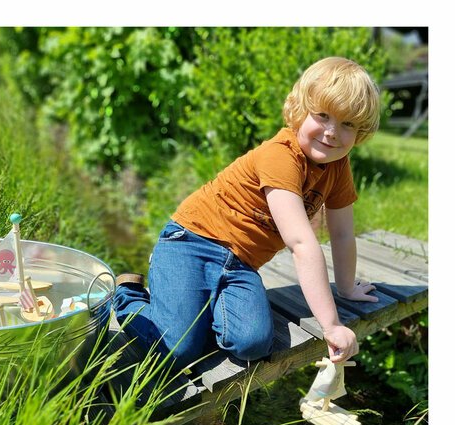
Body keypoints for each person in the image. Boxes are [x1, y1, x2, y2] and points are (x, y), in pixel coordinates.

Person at [114, 57, 380, 372]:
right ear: (299, 109)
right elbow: (300, 242)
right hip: (190, 242)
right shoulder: (280, 156)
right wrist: (332, 324)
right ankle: (127, 296)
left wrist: (346, 287)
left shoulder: (337, 167)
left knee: (252, 343)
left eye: (347, 123)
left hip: (240, 264)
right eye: (322, 115)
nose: (332, 132)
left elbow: (342, 233)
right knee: (178, 349)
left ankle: (200, 305)